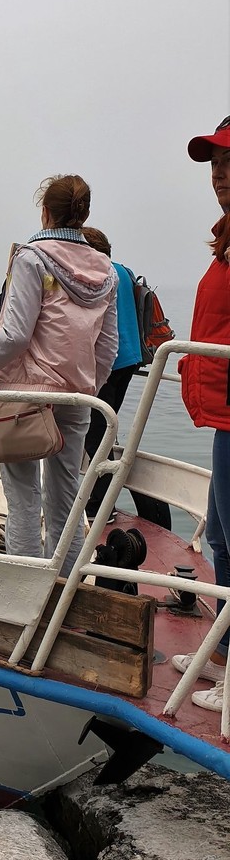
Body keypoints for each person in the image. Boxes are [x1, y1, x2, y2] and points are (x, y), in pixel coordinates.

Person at [0, 175, 118, 576]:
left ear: (45, 211)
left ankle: (23, 593)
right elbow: (107, 348)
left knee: (23, 499)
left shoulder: (31, 258)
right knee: (66, 501)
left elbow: (14, 337)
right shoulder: (107, 271)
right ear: (84, 214)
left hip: (25, 396)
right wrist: (88, 386)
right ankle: (64, 593)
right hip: (77, 396)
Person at [171, 116, 230, 712]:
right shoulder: (226, 237)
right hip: (222, 411)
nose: (220, 174)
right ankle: (225, 649)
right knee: (219, 537)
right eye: (215, 163)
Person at [80, 228, 144, 520]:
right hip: (130, 359)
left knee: (94, 436)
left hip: (108, 362)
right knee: (106, 429)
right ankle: (100, 500)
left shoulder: (99, 274)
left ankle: (98, 507)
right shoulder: (124, 271)